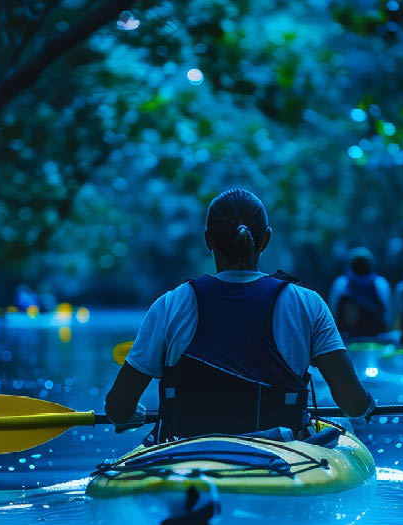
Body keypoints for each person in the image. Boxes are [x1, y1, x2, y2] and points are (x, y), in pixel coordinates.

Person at [105, 188, 374, 440]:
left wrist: (132, 414)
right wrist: (367, 406)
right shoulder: (307, 303)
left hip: (186, 456)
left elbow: (117, 409)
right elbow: (352, 403)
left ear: (208, 240)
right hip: (282, 456)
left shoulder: (169, 305)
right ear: (266, 239)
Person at [328, 247, 391, 340]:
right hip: (375, 339)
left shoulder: (341, 283)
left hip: (347, 338)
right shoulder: (381, 283)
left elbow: (333, 313)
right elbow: (388, 316)